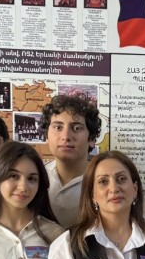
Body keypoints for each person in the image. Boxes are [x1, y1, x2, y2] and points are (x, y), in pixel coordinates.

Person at [39, 93, 101, 227]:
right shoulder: (35, 177)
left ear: (91, 139)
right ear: (46, 136)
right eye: (58, 127)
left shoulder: (104, 180)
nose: (66, 136)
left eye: (76, 128)